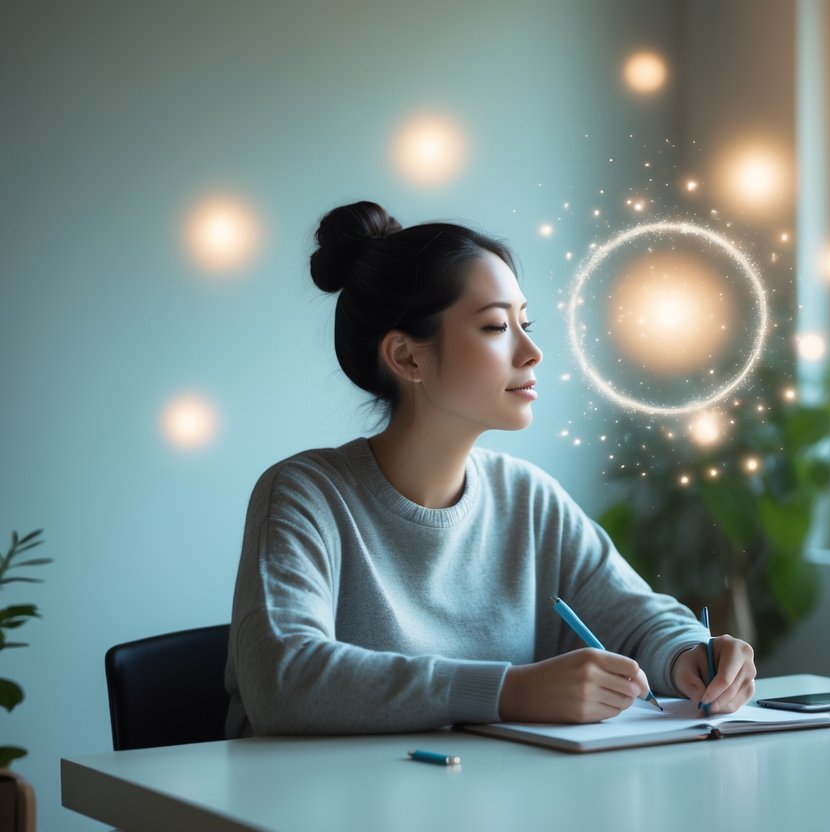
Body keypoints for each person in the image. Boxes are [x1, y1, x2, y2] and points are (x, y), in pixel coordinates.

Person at [224, 200, 757, 736]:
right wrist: (508, 691)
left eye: (525, 323)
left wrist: (688, 654)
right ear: (407, 358)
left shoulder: (528, 498)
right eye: (496, 327)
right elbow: (283, 679)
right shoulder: (304, 496)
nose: (532, 352)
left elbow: (639, 618)